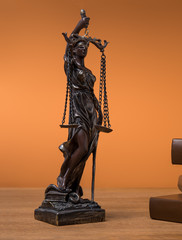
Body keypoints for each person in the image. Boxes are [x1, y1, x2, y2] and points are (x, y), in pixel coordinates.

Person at [46, 11, 106, 202]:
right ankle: (63, 178)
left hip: (90, 110)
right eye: (79, 46)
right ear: (73, 50)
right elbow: (67, 45)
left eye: (85, 46)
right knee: (81, 146)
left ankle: (72, 184)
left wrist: (99, 110)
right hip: (78, 110)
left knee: (87, 150)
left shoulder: (87, 71)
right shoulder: (71, 66)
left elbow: (91, 91)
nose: (83, 49)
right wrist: (80, 25)